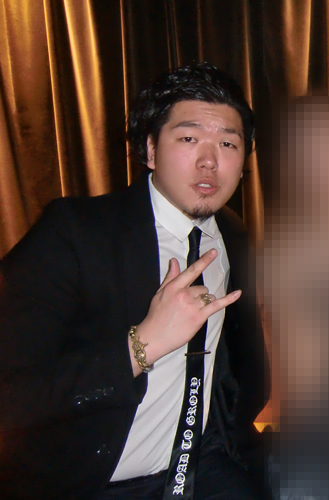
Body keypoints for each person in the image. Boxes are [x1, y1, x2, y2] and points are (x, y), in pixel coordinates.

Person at [0, 63, 269, 500]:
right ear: (150, 150)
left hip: (205, 465)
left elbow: (238, 367)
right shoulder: (74, 233)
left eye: (228, 143)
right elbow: (14, 393)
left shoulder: (233, 235)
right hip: (93, 481)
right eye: (188, 139)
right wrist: (140, 346)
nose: (209, 160)